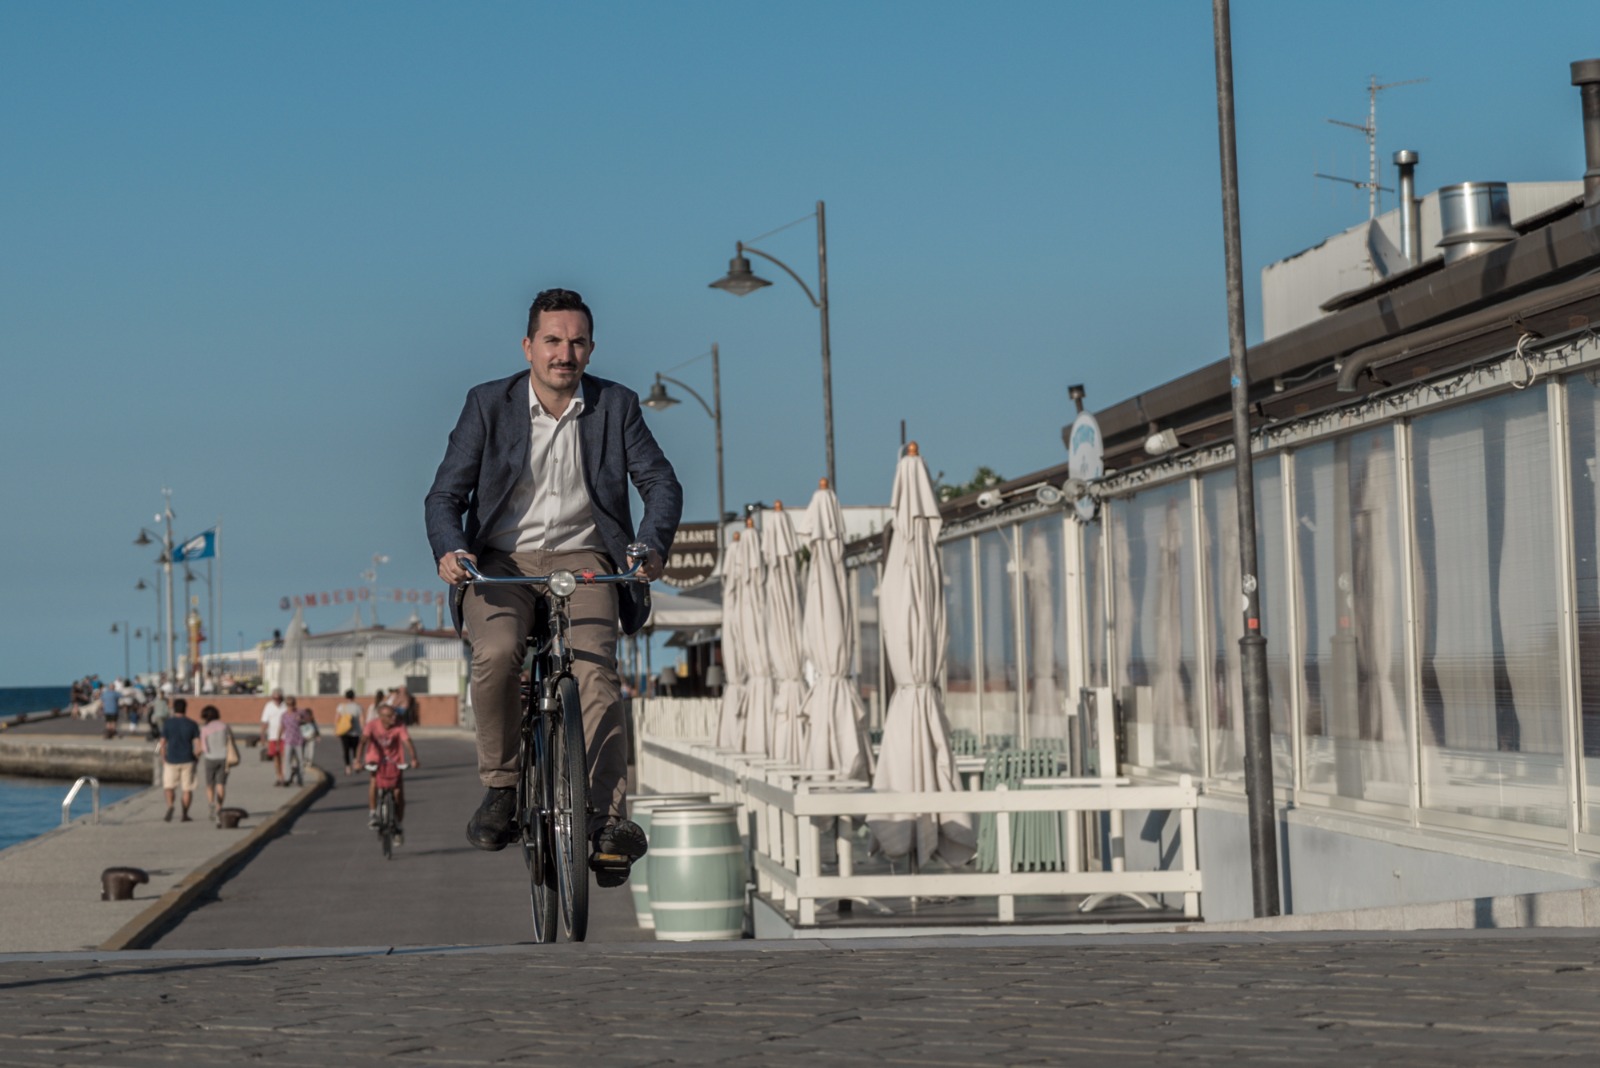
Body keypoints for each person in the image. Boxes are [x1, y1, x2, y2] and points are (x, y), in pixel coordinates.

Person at [425, 287, 681, 886]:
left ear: (591, 348)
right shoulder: (488, 404)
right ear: (529, 347)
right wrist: (449, 549)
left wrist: (650, 545)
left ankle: (604, 822)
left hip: (585, 558)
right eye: (552, 341)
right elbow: (444, 496)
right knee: (496, 651)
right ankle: (502, 789)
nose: (564, 353)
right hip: (502, 561)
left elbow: (660, 483)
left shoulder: (615, 406)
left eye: (576, 342)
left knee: (596, 672)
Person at [363, 703, 420, 844]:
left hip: (395, 760)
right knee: (374, 783)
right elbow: (362, 741)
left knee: (398, 793)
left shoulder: (399, 725)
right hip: (375, 758)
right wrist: (357, 760)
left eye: (394, 714)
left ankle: (398, 824)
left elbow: (407, 741)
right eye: (389, 715)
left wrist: (413, 758)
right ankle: (373, 815)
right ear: (381, 717)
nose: (393, 717)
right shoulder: (372, 725)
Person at [158, 697, 202, 822]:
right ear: (185, 709)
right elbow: (198, 746)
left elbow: (162, 743)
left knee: (169, 787)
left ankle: (171, 806)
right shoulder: (192, 724)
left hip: (171, 759)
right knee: (187, 789)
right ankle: (185, 814)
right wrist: (196, 757)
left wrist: (162, 756)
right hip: (188, 759)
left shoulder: (168, 723)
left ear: (173, 708)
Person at [197, 705, 235, 822]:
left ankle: (211, 804)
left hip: (210, 758)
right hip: (223, 758)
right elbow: (230, 741)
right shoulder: (225, 727)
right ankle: (219, 807)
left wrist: (197, 756)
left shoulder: (205, 729)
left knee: (210, 784)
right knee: (221, 784)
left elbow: (204, 747)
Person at [260, 688, 288, 786]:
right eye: (274, 698)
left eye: (278, 698)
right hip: (272, 736)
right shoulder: (268, 706)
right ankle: (278, 777)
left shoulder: (285, 706)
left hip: (285, 736)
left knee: (285, 757)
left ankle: (284, 777)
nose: (276, 700)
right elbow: (265, 721)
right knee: (276, 758)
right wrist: (262, 735)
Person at [334, 689, 364, 774]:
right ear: (354, 697)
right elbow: (361, 719)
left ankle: (348, 767)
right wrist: (362, 730)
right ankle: (355, 764)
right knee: (355, 749)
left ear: (345, 697)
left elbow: (337, 719)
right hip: (356, 732)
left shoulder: (341, 706)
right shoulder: (358, 707)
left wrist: (336, 729)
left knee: (346, 750)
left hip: (344, 732)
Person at [281, 696, 307, 787]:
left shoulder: (299, 712)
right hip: (288, 740)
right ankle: (287, 778)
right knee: (287, 760)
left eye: (292, 704)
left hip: (298, 740)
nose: (290, 706)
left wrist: (302, 720)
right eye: (288, 704)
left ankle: (300, 779)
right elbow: (282, 727)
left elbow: (308, 719)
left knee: (300, 760)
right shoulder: (284, 715)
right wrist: (278, 738)